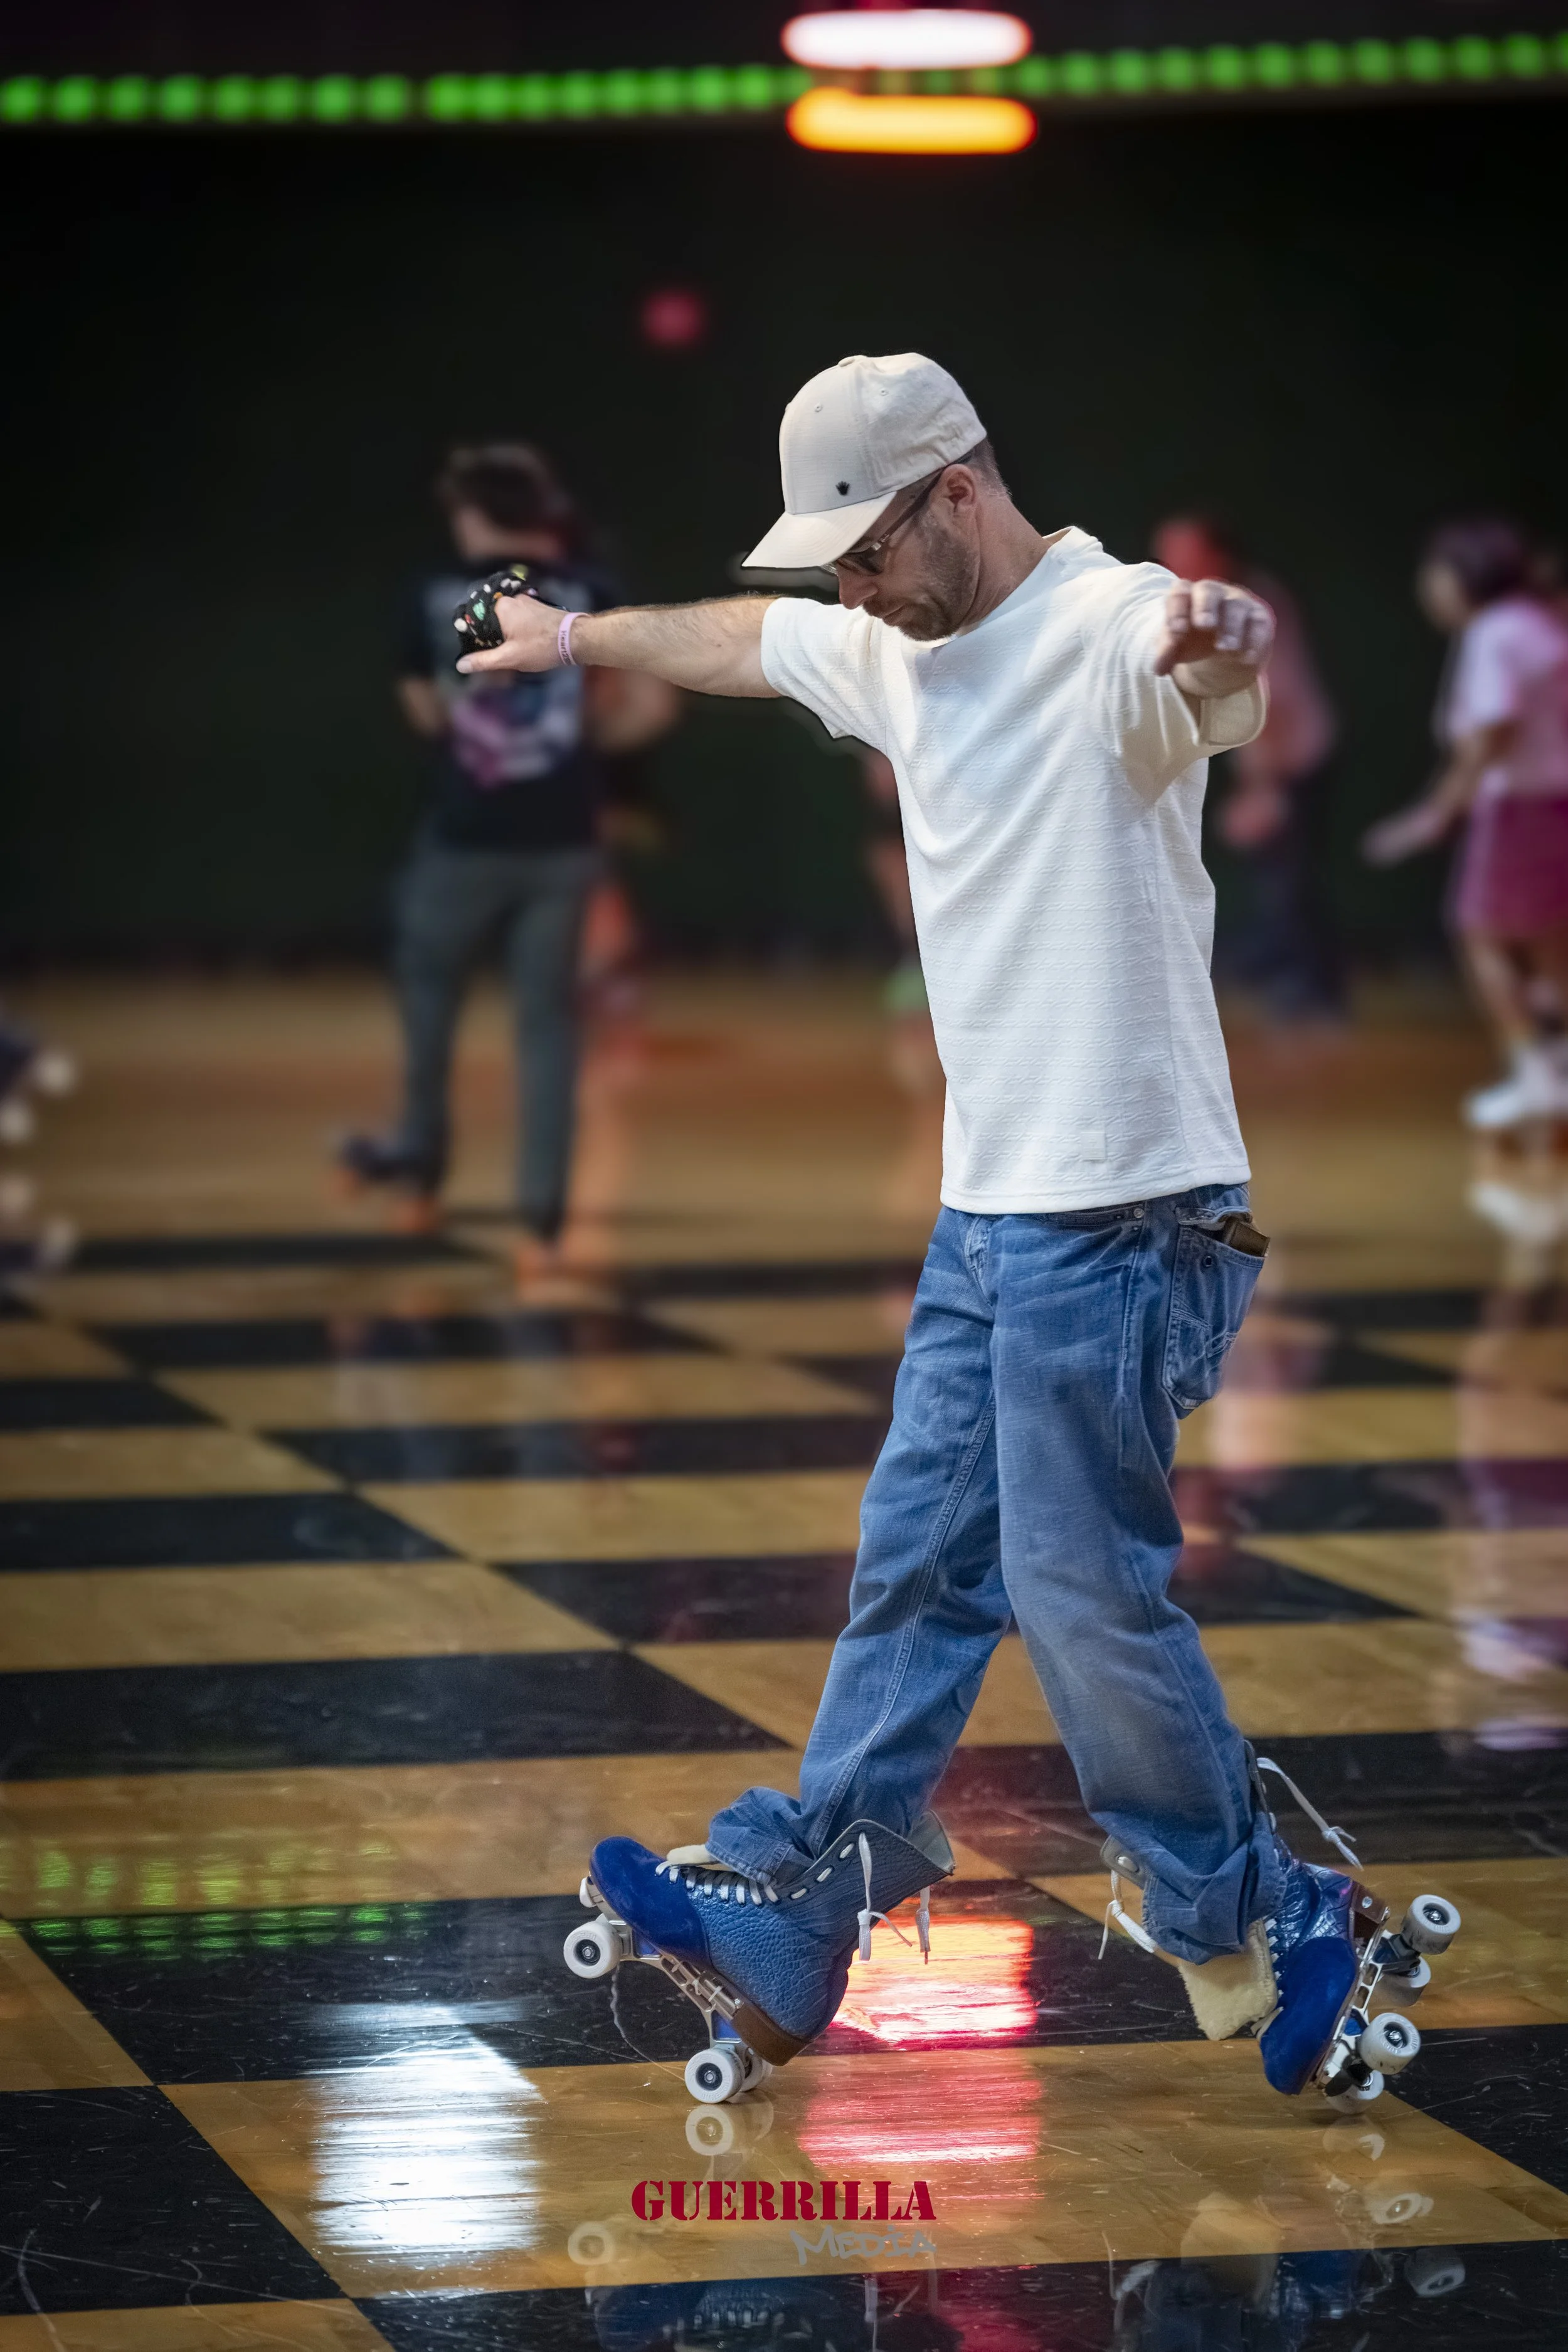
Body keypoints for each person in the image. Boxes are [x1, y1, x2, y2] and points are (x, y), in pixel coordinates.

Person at [457, 352, 1446, 2101]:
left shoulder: (1109, 625)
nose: (843, 586)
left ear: (958, 494)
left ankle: (1261, 1903)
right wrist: (574, 639)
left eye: (862, 547)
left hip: (1127, 1213)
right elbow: (740, 641)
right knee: (913, 1567)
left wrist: (1221, 637)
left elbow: (1202, 667)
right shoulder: (889, 643)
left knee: (1079, 1590)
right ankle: (799, 1894)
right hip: (987, 1219)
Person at [339, 444, 676, 1272]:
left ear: (469, 512)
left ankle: (419, 1179)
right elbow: (649, 702)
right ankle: (543, 1226)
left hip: (463, 837)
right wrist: (581, 739)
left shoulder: (433, 594)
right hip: (564, 840)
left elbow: (427, 713)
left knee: (429, 1009)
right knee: (550, 1029)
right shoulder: (589, 592)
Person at [1365, 518, 1568, 1130]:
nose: (1429, 587)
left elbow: (1492, 731)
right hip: (1554, 801)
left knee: (1480, 932)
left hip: (1519, 807)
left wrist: (1439, 811)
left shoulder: (1494, 633)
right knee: (1547, 940)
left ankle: (1536, 1077)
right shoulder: (1537, 622)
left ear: (1465, 576)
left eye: (1436, 573)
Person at [1153, 516, 1343, 1024]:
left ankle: (1317, 997)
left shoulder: (1250, 605)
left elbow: (1274, 699)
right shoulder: (1204, 606)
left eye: (1185, 553)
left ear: (1218, 556)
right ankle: (1300, 986)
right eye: (1168, 553)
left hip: (1295, 762)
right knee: (1279, 881)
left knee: (1291, 883)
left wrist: (1266, 787)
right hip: (1270, 764)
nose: (1174, 565)